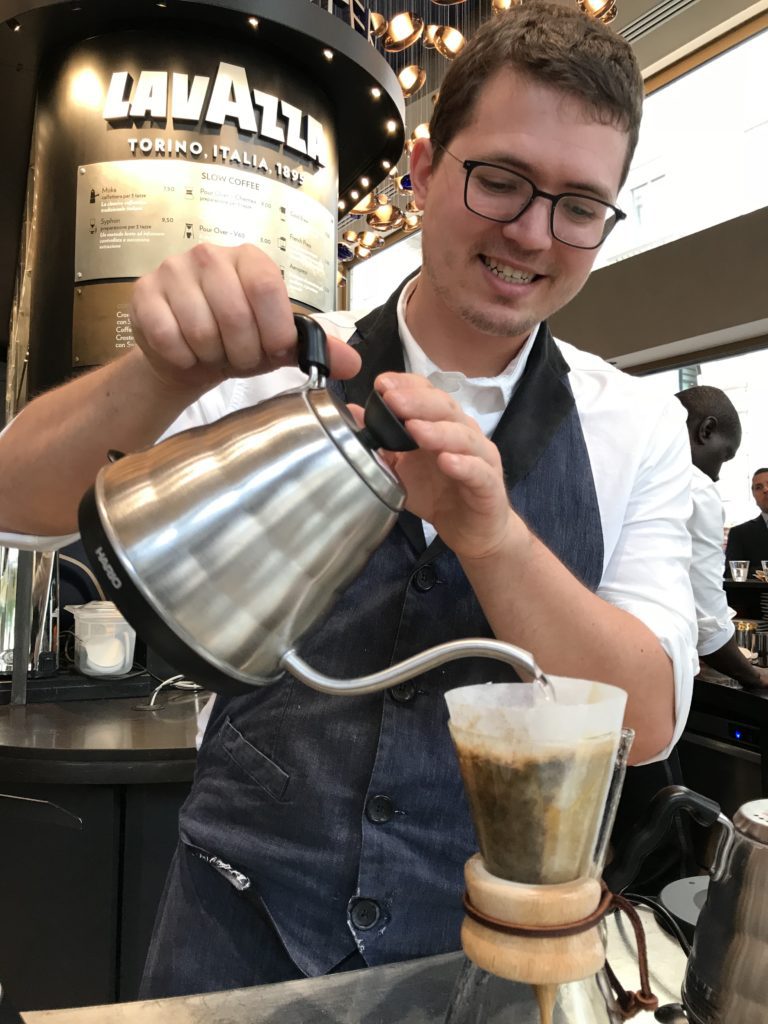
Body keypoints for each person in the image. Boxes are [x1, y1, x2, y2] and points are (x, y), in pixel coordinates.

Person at [0, 3, 697, 997]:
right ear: (421, 170)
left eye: (580, 205)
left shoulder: (632, 424)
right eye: (498, 180)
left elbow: (651, 718)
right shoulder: (282, 356)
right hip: (233, 922)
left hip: (481, 957)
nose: (534, 235)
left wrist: (492, 537)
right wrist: (155, 371)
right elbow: (17, 503)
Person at [676, 387, 768, 686]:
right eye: (724, 456)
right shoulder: (695, 486)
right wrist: (753, 675)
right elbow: (706, 618)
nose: (716, 475)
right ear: (706, 430)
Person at [724, 467, 768, 574]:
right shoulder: (739, 534)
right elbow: (732, 573)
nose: (765, 489)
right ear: (753, 495)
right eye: (758, 487)